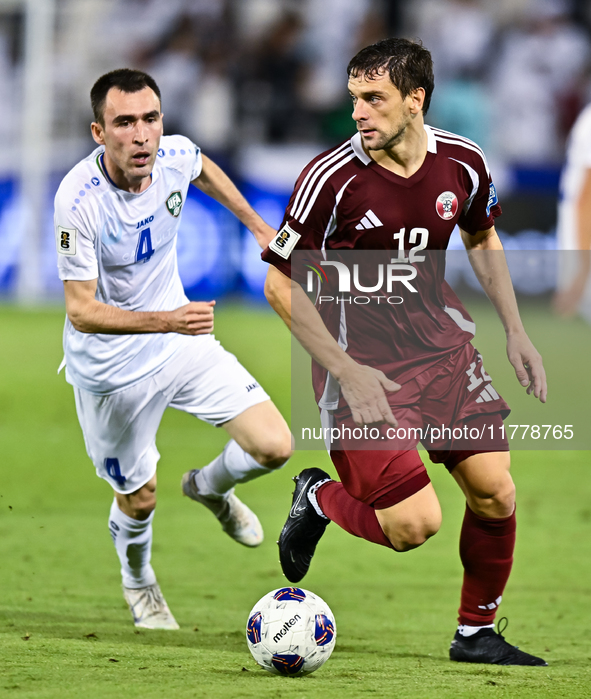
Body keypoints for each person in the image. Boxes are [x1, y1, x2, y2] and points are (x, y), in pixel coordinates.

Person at [262, 38, 548, 665]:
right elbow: (279, 283)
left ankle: (476, 633)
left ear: (415, 100)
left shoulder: (463, 163)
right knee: (413, 526)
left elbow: (482, 235)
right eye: (354, 100)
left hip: (442, 352)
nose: (359, 114)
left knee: (496, 491)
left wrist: (516, 332)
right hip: (361, 369)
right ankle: (318, 497)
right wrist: (346, 372)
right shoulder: (329, 179)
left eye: (374, 99)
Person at [54, 69, 291, 630]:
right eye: (125, 123)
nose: (141, 135)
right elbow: (81, 310)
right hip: (111, 371)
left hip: (179, 345)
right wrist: (168, 319)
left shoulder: (174, 156)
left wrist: (259, 227)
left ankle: (209, 487)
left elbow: (202, 166)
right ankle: (139, 583)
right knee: (139, 500)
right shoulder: (77, 200)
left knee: (274, 445)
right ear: (98, 132)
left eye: (151, 119)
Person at [553, 101, 591, 322]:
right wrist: (584, 263)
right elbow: (585, 199)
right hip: (581, 220)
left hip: (580, 214)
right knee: (576, 303)